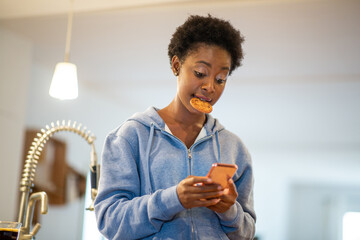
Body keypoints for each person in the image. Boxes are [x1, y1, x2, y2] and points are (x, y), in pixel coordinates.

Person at [94, 14, 256, 240]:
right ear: (176, 65)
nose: (210, 87)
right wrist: (174, 199)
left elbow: (247, 233)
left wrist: (228, 211)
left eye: (221, 79)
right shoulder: (131, 136)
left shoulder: (234, 148)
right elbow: (109, 221)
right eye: (200, 73)